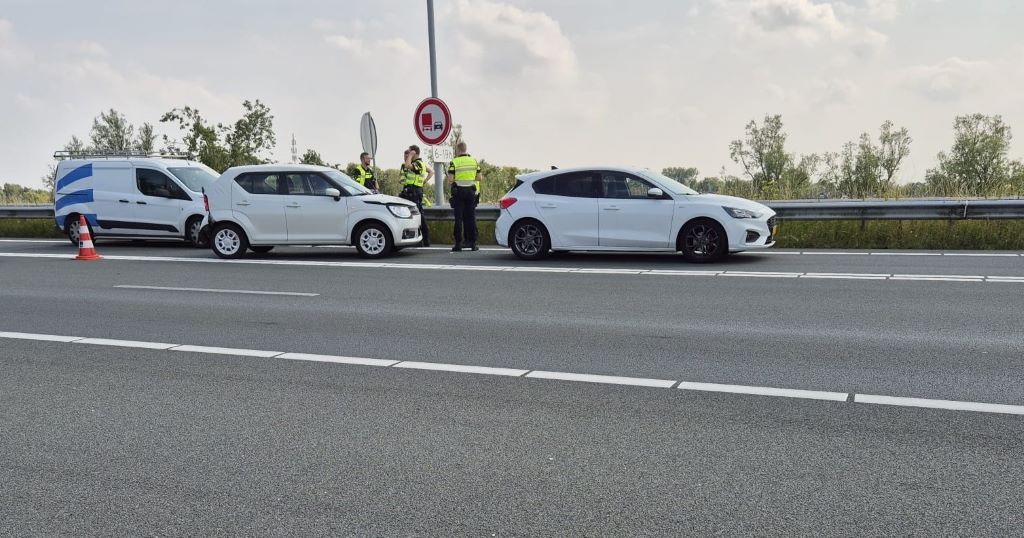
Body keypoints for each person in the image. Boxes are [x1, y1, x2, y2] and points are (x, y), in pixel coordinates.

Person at [447, 142, 483, 251]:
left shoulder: (454, 162)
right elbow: (480, 178)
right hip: (471, 192)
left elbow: (450, 180)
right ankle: (473, 244)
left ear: (458, 150)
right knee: (471, 218)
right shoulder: (474, 161)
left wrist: (457, 180)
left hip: (458, 191)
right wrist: (470, 179)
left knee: (458, 218)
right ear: (466, 149)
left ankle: (458, 244)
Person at [399, 145, 432, 246]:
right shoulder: (417, 163)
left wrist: (410, 155)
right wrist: (424, 181)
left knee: (418, 216)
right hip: (411, 191)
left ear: (414, 152)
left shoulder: (418, 163)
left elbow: (408, 165)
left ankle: (424, 239)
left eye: (410, 152)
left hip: (414, 192)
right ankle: (420, 239)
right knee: (416, 215)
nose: (408, 154)